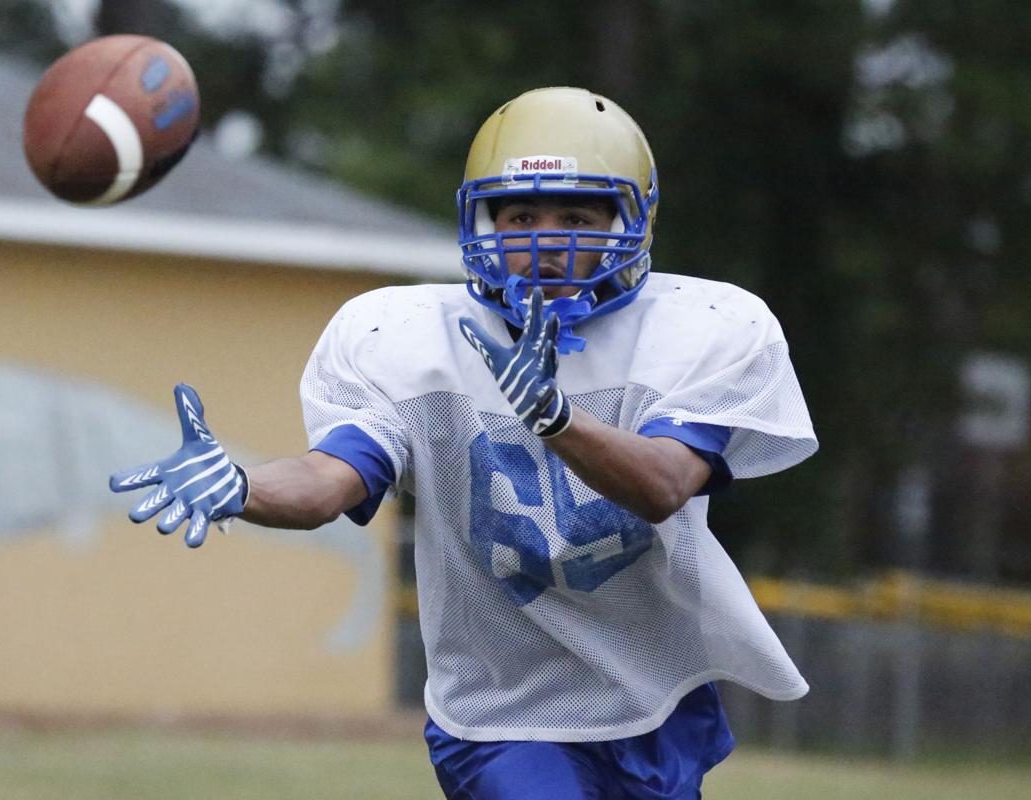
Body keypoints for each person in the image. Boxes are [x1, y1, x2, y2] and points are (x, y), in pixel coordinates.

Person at [110, 86, 818, 799]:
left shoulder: (701, 327)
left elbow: (664, 484)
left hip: (651, 694)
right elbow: (330, 479)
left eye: (575, 215)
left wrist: (556, 417)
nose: (545, 240)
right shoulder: (411, 337)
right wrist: (246, 486)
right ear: (483, 221)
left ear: (631, 223)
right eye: (520, 215)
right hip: (501, 709)